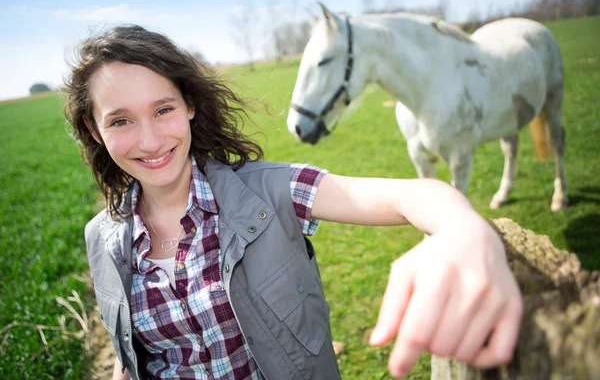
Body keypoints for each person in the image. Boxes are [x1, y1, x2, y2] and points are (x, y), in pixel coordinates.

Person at [64, 25, 523, 380]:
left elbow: (409, 195)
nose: (149, 140)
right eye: (121, 120)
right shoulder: (99, 239)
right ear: (92, 129)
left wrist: (462, 232)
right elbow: (131, 356)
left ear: (189, 106)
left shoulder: (269, 191)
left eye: (163, 109)